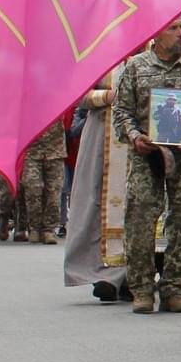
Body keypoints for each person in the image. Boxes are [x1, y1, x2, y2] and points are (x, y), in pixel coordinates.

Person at [113, 14, 181, 314]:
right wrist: (135, 137)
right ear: (156, 34)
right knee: (141, 219)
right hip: (148, 156)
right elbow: (122, 111)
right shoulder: (136, 67)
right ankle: (142, 288)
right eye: (174, 28)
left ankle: (174, 288)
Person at [66, 70, 132, 301]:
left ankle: (135, 274)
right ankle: (103, 272)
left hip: (138, 135)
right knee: (95, 201)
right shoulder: (101, 50)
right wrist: (106, 97)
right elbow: (77, 94)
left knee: (140, 205)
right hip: (101, 133)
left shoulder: (151, 49)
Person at [17, 119, 66, 245]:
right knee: (32, 189)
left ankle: (49, 229)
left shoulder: (57, 99)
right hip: (31, 150)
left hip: (55, 150)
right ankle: (34, 227)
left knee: (53, 192)